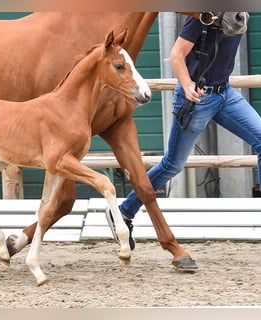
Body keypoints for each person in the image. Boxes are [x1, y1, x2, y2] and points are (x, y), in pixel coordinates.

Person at [106, 15, 261, 250]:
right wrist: (187, 85)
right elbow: (176, 55)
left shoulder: (237, 14)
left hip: (225, 94)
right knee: (173, 165)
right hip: (197, 98)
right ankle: (124, 211)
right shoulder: (201, 18)